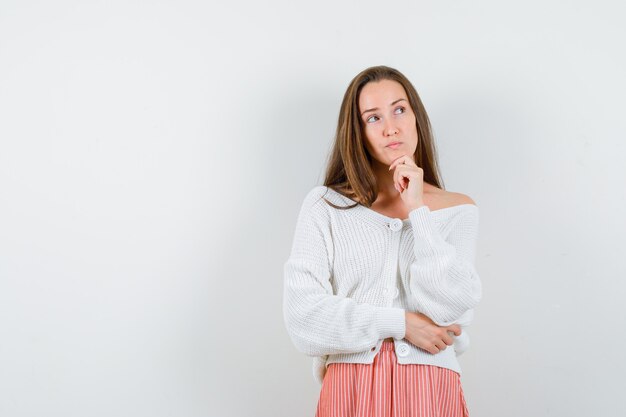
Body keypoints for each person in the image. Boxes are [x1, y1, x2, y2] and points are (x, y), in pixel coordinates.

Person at [282, 65, 482, 417]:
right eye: (373, 118)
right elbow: (304, 318)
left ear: (416, 116)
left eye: (399, 110)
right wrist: (401, 324)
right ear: (357, 132)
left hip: (431, 389)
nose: (391, 127)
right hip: (351, 390)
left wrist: (418, 211)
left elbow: (449, 311)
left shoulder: (458, 210)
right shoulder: (326, 206)